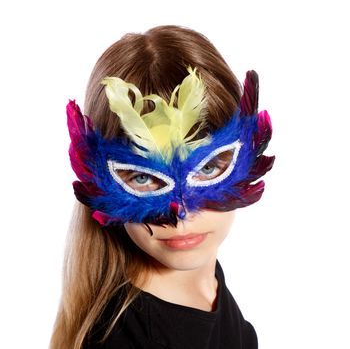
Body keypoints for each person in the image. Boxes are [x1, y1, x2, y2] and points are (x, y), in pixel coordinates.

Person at [50, 25, 275, 349]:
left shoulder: (204, 279)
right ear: (99, 180)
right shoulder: (121, 337)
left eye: (209, 167)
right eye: (143, 177)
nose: (181, 215)